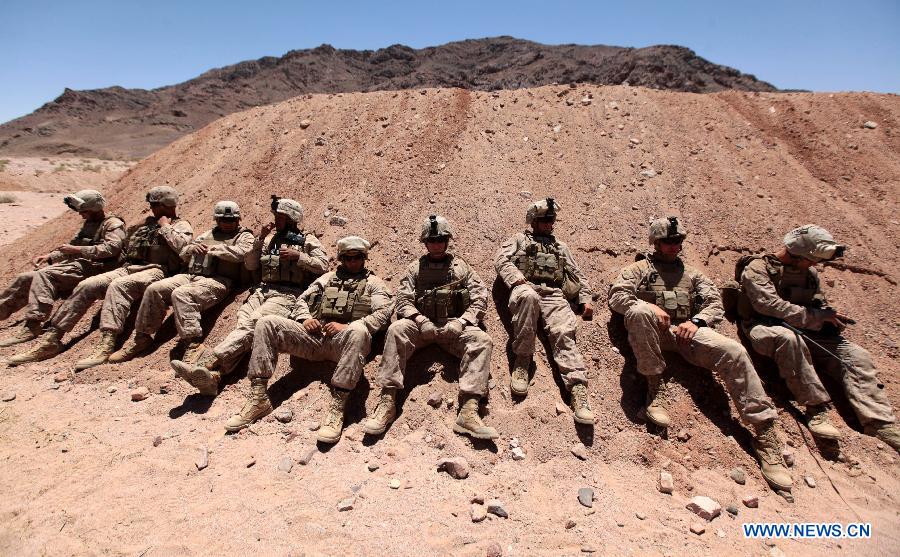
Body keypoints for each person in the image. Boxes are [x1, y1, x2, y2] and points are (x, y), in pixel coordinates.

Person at [608, 216, 792, 492]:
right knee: (637, 311)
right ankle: (654, 387)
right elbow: (618, 296)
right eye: (668, 242)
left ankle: (764, 433)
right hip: (654, 333)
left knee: (734, 350)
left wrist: (697, 322)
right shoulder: (639, 269)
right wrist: (648, 307)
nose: (674, 246)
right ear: (656, 243)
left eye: (678, 241)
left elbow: (715, 303)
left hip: (687, 333)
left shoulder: (692, 274)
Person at [737, 225, 900, 452]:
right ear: (796, 254)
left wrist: (827, 316)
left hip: (807, 328)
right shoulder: (758, 268)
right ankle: (816, 409)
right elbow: (769, 305)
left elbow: (816, 302)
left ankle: (879, 422)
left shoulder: (809, 274)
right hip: (764, 327)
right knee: (789, 339)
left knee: (857, 356)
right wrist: (815, 316)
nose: (814, 265)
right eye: (810, 260)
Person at [221, 236, 393, 441]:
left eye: (356, 258)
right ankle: (258, 398)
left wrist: (347, 326)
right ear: (341, 258)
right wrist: (305, 318)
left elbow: (384, 312)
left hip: (343, 345)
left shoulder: (373, 283)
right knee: (266, 322)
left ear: (364, 258)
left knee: (359, 331)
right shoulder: (327, 278)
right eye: (347, 258)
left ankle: (337, 407)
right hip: (313, 339)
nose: (352, 263)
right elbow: (302, 299)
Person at [8, 186, 193, 367]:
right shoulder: (146, 225)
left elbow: (184, 250)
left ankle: (107, 343)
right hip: (130, 267)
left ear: (167, 205)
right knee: (87, 285)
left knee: (119, 285)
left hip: (158, 271)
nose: (151, 209)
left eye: (155, 205)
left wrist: (166, 228)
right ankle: (52, 338)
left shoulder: (181, 225)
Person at [170, 196, 328, 391]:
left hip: (287, 294)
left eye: (279, 217)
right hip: (260, 291)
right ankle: (215, 377)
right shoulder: (270, 239)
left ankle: (205, 363)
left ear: (291, 218)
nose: (275, 220)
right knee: (244, 328)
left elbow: (323, 265)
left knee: (253, 323)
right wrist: (260, 240)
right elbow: (251, 264)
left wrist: (300, 256)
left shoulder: (307, 240)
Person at [363, 215, 499, 440]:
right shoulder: (415, 268)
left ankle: (469, 411)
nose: (436, 245)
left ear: (447, 241)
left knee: (482, 340)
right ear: (425, 243)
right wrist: (419, 319)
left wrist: (461, 322)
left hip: (452, 327)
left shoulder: (461, 267)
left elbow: (479, 298)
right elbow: (403, 300)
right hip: (421, 327)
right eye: (431, 241)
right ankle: (387, 402)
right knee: (397, 329)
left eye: (440, 240)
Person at [106, 201, 255, 365]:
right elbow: (184, 253)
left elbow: (245, 253)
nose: (228, 224)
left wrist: (215, 250)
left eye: (232, 220)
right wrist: (192, 249)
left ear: (238, 220)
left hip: (219, 280)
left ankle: (192, 345)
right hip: (191, 275)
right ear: (217, 220)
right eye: (224, 220)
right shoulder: (208, 234)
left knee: (181, 294)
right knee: (154, 289)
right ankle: (142, 337)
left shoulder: (244, 236)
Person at [493, 198, 594, 424]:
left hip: (554, 294)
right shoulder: (519, 239)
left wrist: (585, 298)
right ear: (534, 221)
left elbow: (577, 273)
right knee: (527, 300)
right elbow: (501, 259)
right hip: (525, 287)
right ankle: (522, 360)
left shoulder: (560, 246)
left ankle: (577, 390)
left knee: (563, 333)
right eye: (545, 220)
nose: (549, 223)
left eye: (552, 219)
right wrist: (518, 281)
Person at [0, 190, 124, 347]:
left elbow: (113, 248)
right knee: (25, 277)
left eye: (84, 211)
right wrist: (51, 256)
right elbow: (73, 245)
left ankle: (33, 325)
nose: (81, 214)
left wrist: (78, 251)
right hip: (79, 265)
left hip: (98, 269)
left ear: (94, 208)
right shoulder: (88, 225)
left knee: (45, 275)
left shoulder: (113, 224)